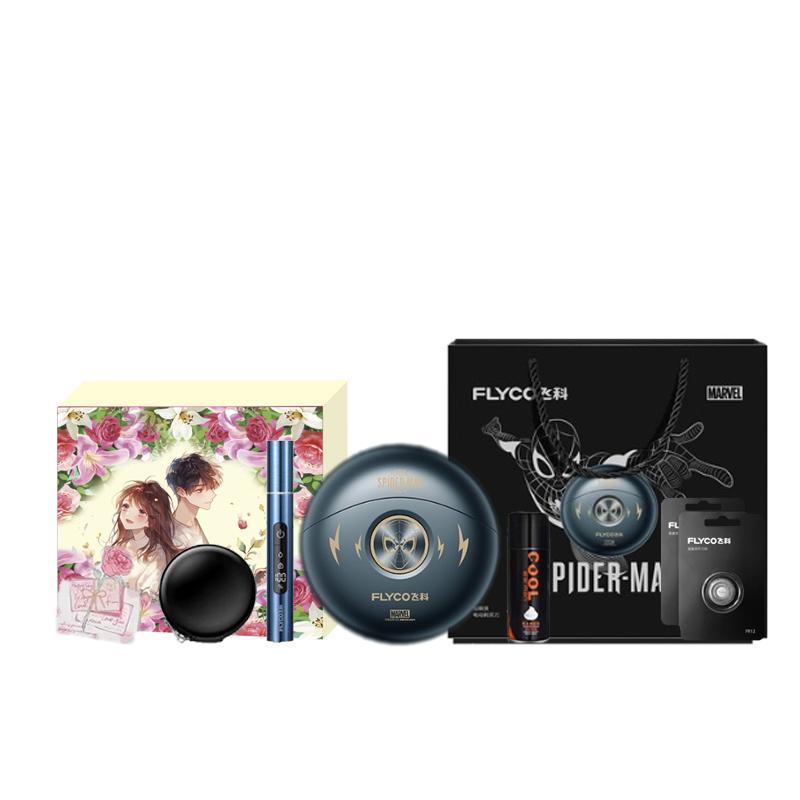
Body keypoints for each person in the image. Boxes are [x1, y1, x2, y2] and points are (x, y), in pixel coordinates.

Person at [109, 480, 179, 596]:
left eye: (141, 511)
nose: (129, 514)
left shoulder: (156, 555)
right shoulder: (121, 545)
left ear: (152, 520)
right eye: (126, 506)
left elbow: (150, 594)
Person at [165, 453, 222, 549]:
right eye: (200, 490)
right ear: (181, 492)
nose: (212, 495)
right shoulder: (174, 533)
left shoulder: (194, 522)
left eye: (211, 488)